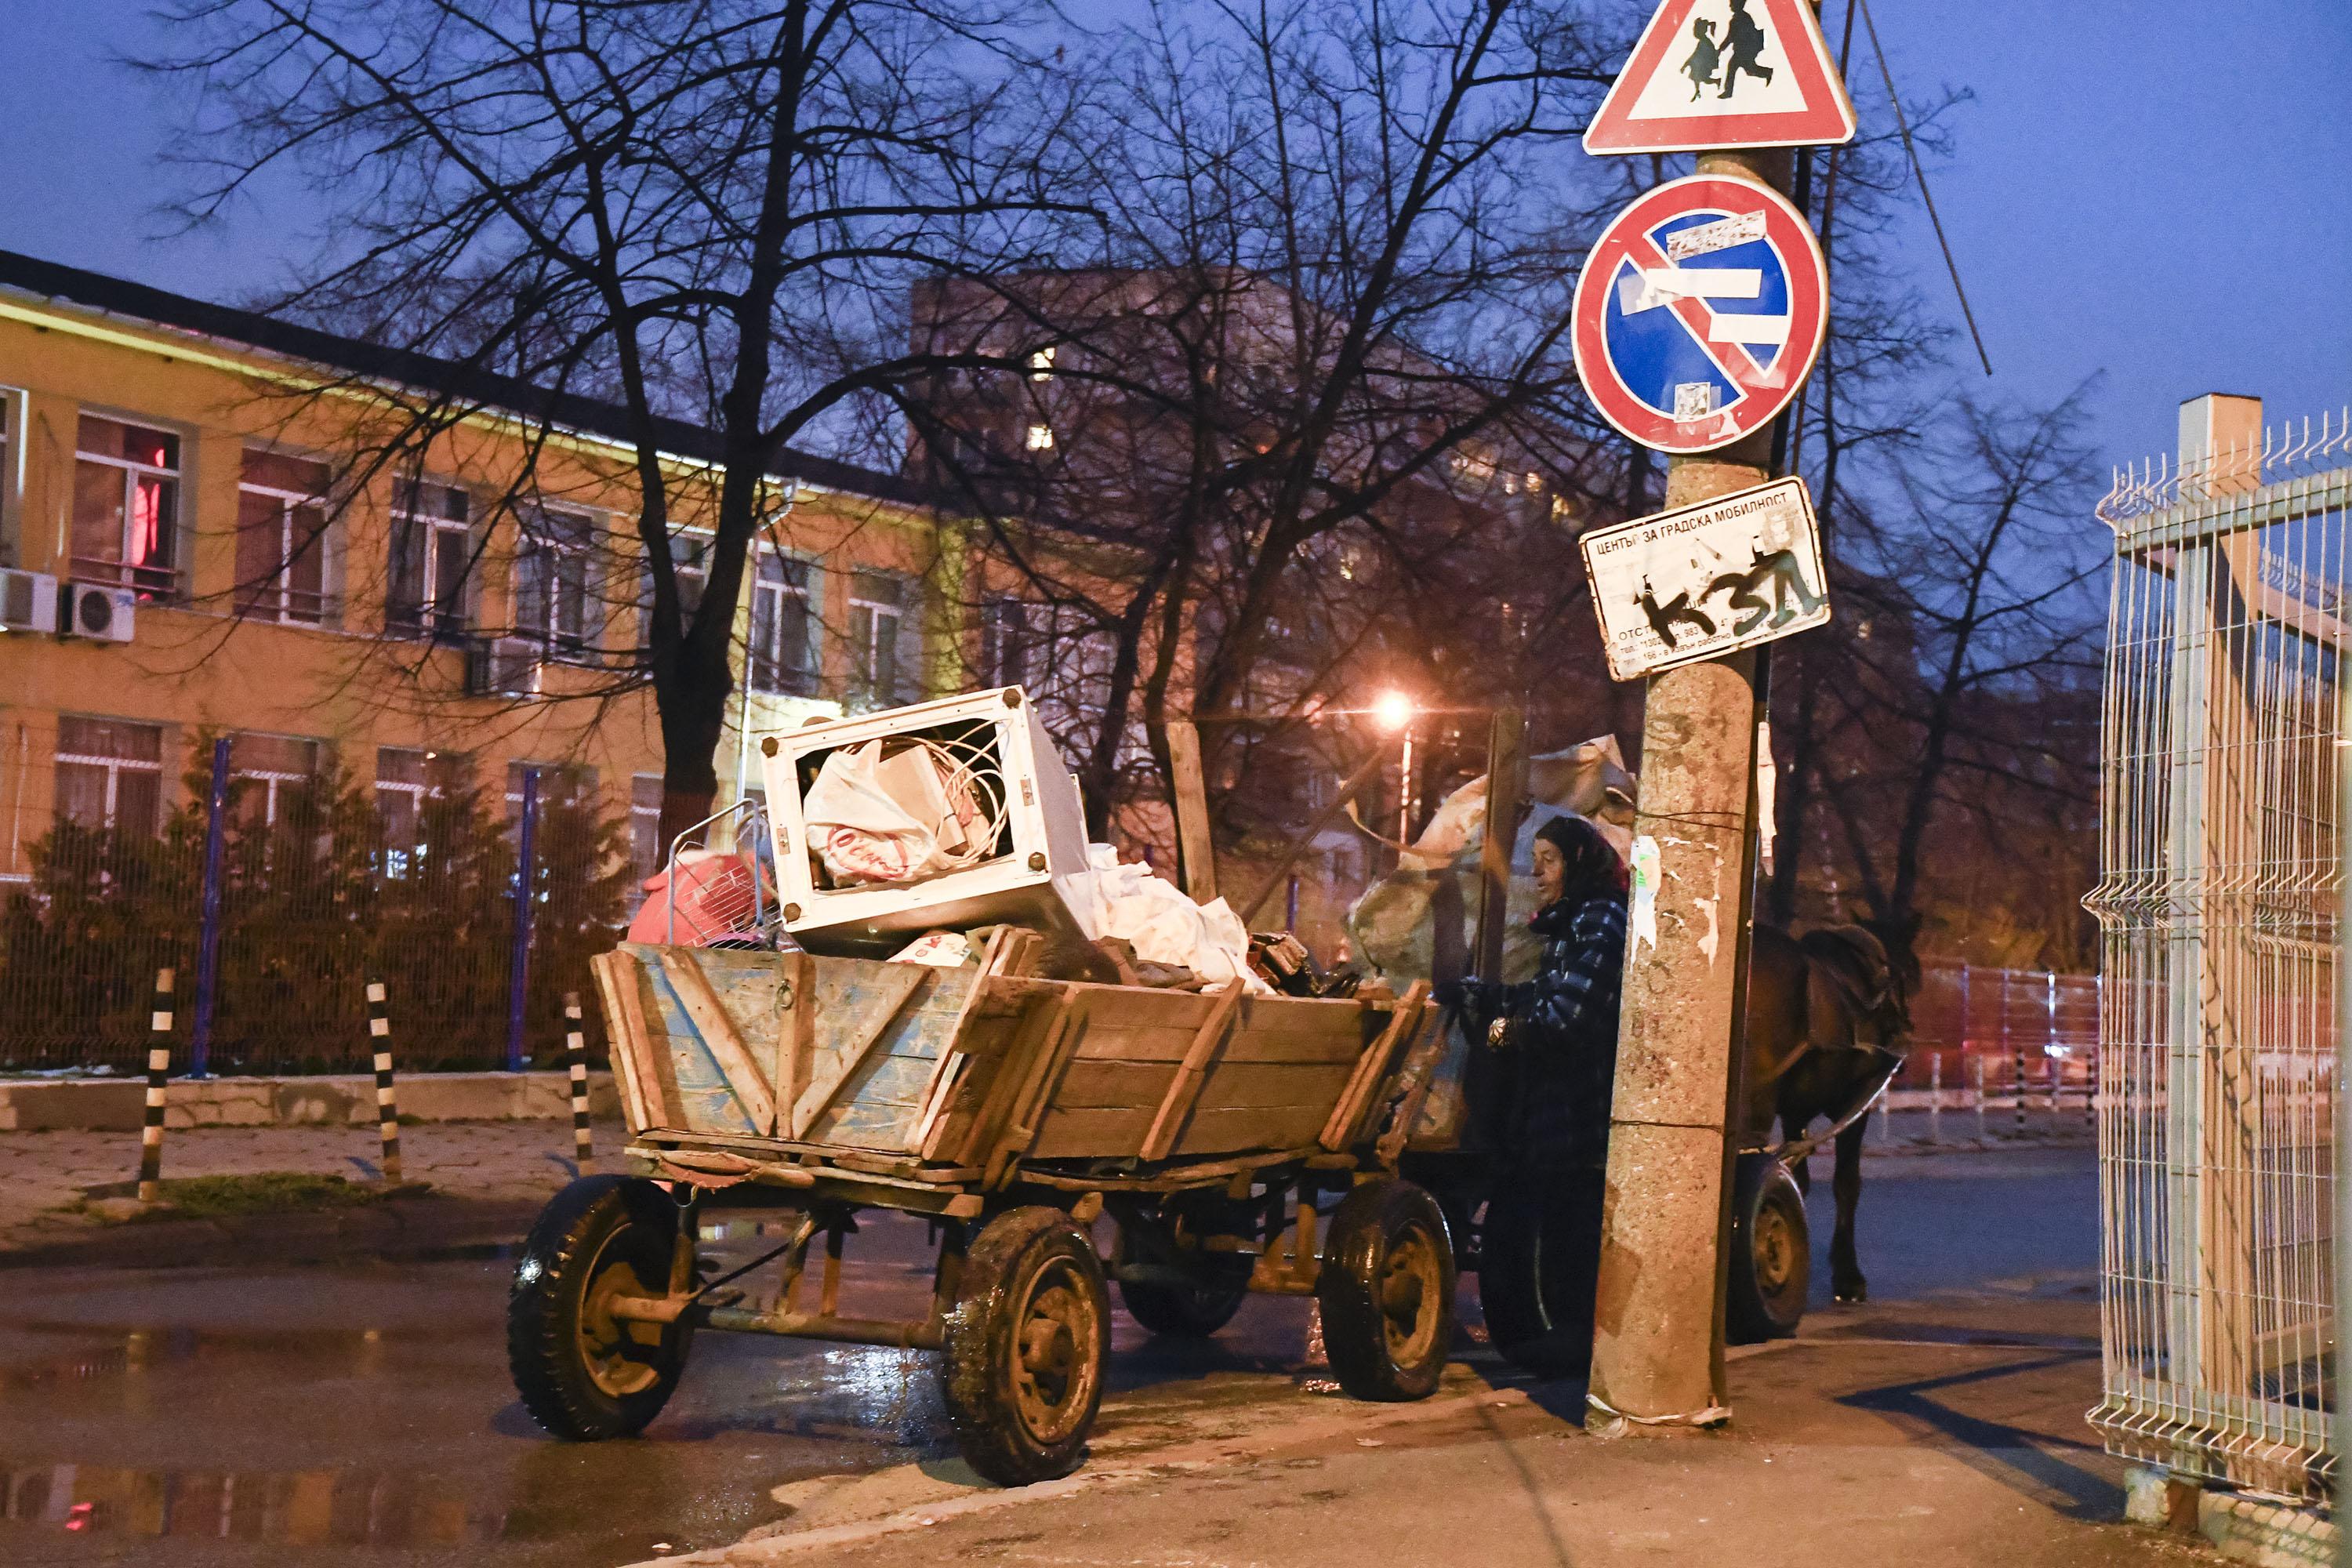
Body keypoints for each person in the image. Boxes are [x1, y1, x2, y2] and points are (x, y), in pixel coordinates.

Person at [1436, 812, 1628, 1368]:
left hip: (1582, 1105)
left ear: (1579, 864)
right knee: (1555, 1216)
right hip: (1558, 1109)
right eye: (1536, 860)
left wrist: (1506, 1032)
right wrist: (1480, 995)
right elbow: (1543, 992)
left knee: (1575, 1226)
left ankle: (1577, 1341)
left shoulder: (1602, 920)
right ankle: (1559, 1336)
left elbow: (1571, 1015)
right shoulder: (1574, 921)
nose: (1538, 873)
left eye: (1550, 861)